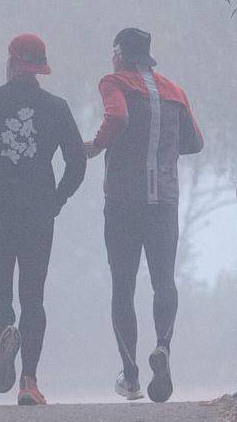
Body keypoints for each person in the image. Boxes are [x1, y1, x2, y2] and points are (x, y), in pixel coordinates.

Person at [0, 33, 87, 406]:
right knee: (33, 298)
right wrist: (58, 199)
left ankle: (5, 331)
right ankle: (29, 382)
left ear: (9, 63)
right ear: (40, 69)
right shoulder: (56, 107)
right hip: (39, 213)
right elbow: (77, 160)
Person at [85, 27, 203, 403]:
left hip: (123, 200)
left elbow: (116, 117)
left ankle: (131, 374)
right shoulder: (175, 91)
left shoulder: (114, 81)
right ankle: (163, 346)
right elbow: (195, 142)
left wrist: (97, 144)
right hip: (165, 201)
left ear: (119, 53)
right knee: (163, 280)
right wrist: (163, 155)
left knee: (123, 284)